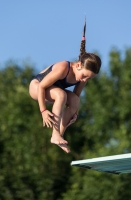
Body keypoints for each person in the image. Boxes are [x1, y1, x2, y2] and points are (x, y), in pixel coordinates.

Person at [29, 20, 101, 153]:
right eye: (85, 76)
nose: (84, 80)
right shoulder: (63, 67)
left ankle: (57, 136)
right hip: (37, 87)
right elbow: (42, 87)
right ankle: (56, 134)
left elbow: (75, 97)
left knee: (75, 101)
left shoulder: (82, 78)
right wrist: (43, 111)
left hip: (53, 90)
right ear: (78, 65)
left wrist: (75, 112)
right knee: (60, 95)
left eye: (89, 78)